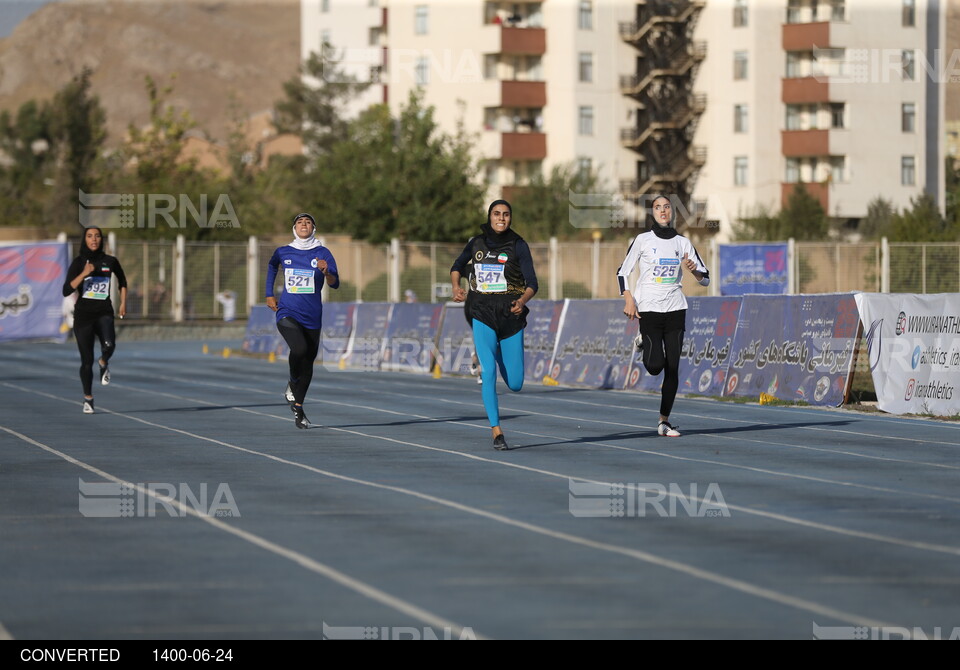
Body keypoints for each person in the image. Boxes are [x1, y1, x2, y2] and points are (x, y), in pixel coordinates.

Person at [617, 195, 709, 437]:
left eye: (667, 207)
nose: (663, 211)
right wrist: (628, 298)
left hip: (676, 308)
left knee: (673, 366)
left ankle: (663, 421)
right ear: (653, 213)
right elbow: (622, 272)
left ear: (672, 212)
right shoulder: (642, 240)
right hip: (648, 308)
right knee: (655, 366)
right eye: (658, 207)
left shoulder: (683, 242)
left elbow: (705, 278)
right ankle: (641, 340)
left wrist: (695, 271)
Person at [451, 199, 537, 450]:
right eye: (497, 214)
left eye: (506, 214)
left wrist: (522, 300)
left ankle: (496, 350)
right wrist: (456, 286)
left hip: (511, 316)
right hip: (483, 313)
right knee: (488, 372)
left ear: (511, 218)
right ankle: (497, 431)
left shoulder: (519, 245)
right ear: (489, 217)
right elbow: (457, 267)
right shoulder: (476, 243)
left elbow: (533, 283)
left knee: (516, 384)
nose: (501, 218)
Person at [265, 212, 339, 429]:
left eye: (308, 222)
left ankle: (299, 407)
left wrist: (327, 272)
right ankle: (292, 382)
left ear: (313, 228)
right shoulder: (283, 251)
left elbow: (335, 283)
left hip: (313, 316)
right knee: (299, 349)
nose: (304, 225)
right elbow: (271, 267)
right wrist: (269, 294)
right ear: (294, 228)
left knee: (308, 362)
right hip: (287, 311)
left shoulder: (323, 252)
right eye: (299, 222)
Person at [62, 226, 127, 414]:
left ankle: (104, 361)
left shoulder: (110, 261)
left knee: (109, 345)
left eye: (97, 236)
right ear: (85, 239)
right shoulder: (79, 262)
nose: (94, 239)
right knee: (86, 360)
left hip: (104, 311)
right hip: (83, 316)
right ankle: (88, 399)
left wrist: (123, 303)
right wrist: (84, 273)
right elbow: (66, 290)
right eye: (90, 236)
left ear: (101, 239)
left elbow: (123, 281)